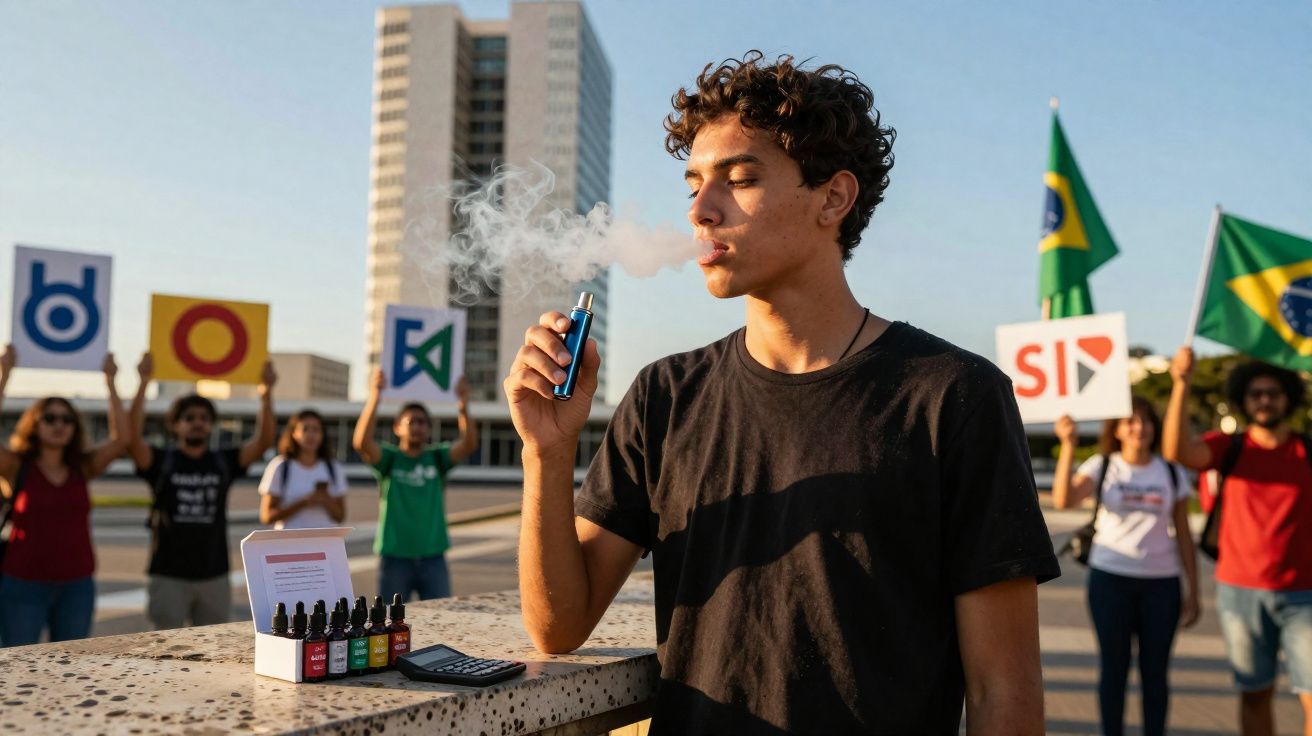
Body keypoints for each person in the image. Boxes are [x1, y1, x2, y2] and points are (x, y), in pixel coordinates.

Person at [504, 52, 1059, 734]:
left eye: (739, 180)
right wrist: (546, 454)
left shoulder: (953, 397)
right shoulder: (664, 396)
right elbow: (558, 625)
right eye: (693, 187)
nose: (703, 212)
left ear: (833, 198)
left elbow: (1004, 691)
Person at [1163, 347, 1312, 736]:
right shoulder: (1230, 448)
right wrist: (1182, 384)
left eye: (1273, 393)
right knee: (1254, 695)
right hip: (1240, 593)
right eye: (1256, 393)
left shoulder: (1306, 449)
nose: (1265, 400)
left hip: (1306, 595)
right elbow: (1176, 451)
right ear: (1244, 399)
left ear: (1288, 398)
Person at [1052, 398, 1200, 736]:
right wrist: (1068, 445)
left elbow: (1184, 536)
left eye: (1146, 421)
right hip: (1110, 581)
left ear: (1154, 427)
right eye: (1130, 421)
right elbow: (1064, 499)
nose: (1139, 428)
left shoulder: (1171, 471)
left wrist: (1193, 590)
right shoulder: (1102, 465)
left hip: (1161, 585)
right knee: (1113, 670)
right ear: (1116, 430)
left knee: (1155, 673)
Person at [127, 353, 278, 630]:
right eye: (189, 417)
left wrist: (266, 393)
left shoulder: (223, 461)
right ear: (175, 425)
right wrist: (143, 382)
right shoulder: (161, 461)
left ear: (211, 424)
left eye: (204, 418)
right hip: (168, 575)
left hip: (214, 575)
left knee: (212, 653)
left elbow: (264, 441)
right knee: (165, 653)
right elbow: (131, 437)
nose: (197, 422)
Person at [0, 346, 130, 646]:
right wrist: (5, 375)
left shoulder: (81, 468)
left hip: (76, 585)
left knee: (70, 673)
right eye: (50, 418)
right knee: (19, 671)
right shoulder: (16, 466)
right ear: (35, 423)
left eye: (67, 419)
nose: (59, 424)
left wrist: (110, 382)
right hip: (22, 583)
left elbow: (122, 439)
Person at [353, 369, 479, 602]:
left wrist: (463, 405)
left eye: (423, 422)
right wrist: (375, 397)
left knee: (441, 619)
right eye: (411, 421)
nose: (418, 426)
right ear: (397, 427)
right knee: (391, 623)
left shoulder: (437, 458)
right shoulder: (390, 459)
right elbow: (362, 443)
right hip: (394, 558)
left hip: (433, 557)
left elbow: (469, 444)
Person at [258, 409, 347, 530]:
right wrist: (302, 503)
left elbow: (340, 516)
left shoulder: (333, 467)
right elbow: (267, 516)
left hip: (323, 544)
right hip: (290, 544)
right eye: (305, 429)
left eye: (316, 430)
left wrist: (325, 500)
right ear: (293, 433)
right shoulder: (280, 466)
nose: (311, 435)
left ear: (322, 434)